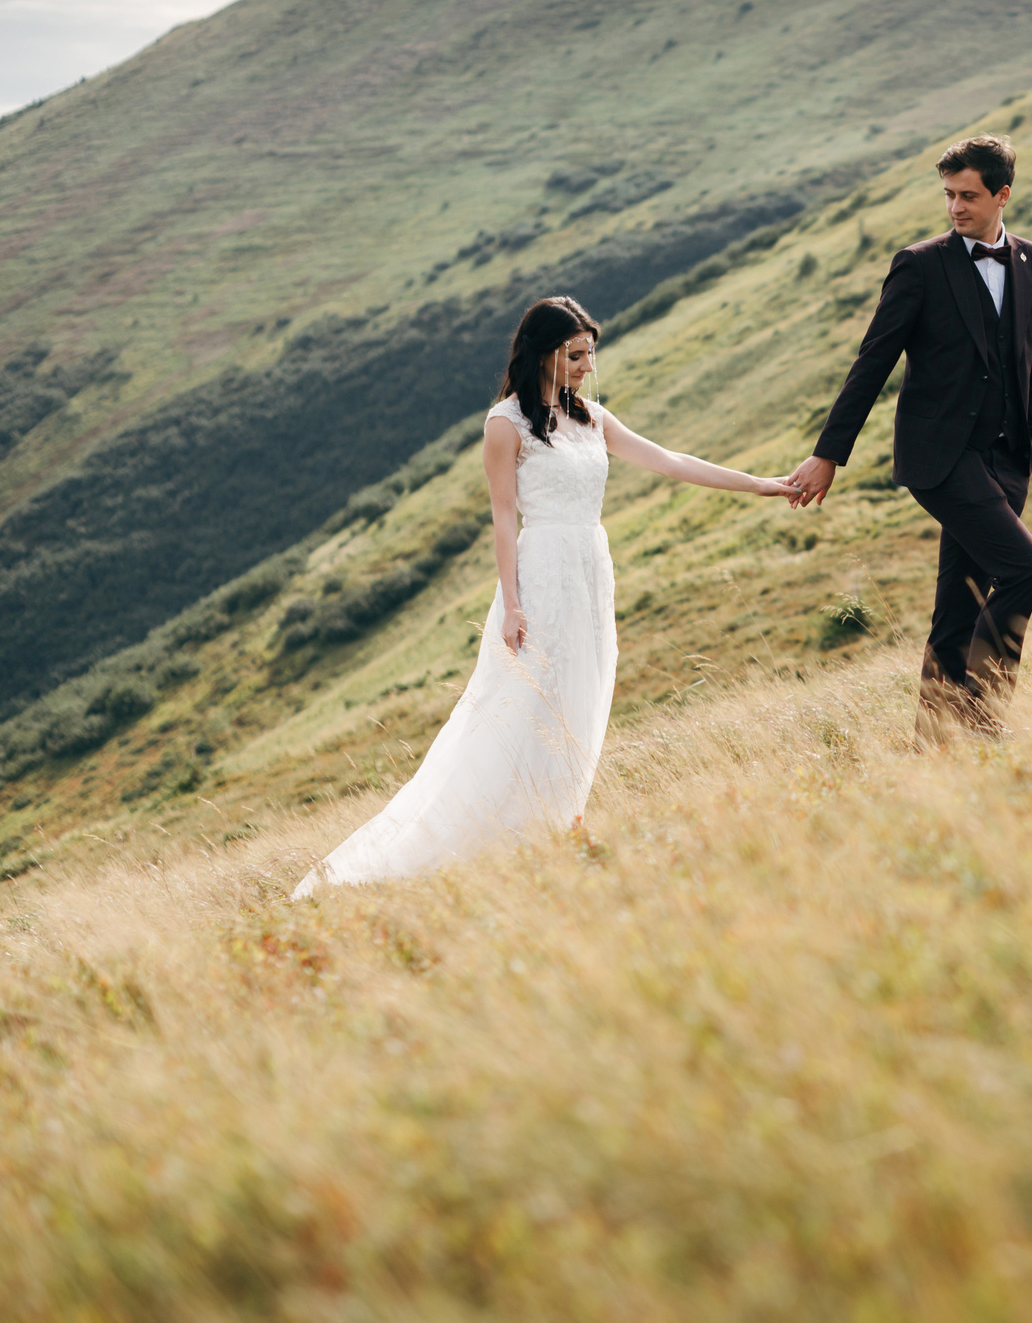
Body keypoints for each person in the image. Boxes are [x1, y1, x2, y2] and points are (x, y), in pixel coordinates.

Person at [294, 295, 793, 895]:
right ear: (545, 354)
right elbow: (504, 518)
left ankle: (558, 825)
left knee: (582, 694)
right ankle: (487, 836)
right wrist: (513, 605)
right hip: (541, 572)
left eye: (590, 354)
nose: (587, 365)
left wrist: (763, 485)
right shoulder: (505, 425)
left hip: (590, 568)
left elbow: (671, 461)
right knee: (527, 705)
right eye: (576, 354)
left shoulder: (593, 419)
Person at [784, 136, 1032, 737]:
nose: (956, 207)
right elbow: (872, 363)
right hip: (943, 459)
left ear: (1002, 195)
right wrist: (830, 453)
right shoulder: (921, 264)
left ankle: (934, 750)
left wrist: (1025, 452)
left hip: (1005, 462)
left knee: (958, 610)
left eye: (969, 196)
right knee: (1025, 571)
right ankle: (982, 724)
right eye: (949, 196)